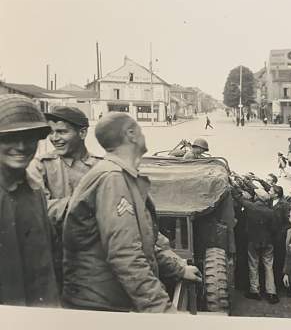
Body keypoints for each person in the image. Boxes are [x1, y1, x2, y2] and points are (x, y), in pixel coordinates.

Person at [62, 113, 202, 312]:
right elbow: (125, 254)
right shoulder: (113, 178)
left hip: (108, 300)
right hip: (101, 307)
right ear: (131, 134)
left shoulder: (119, 175)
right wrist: (162, 309)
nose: (143, 135)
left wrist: (178, 269)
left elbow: (143, 242)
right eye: (140, 131)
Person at [28, 106, 101, 291]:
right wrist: (88, 205)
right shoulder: (40, 166)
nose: (54, 138)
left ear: (83, 132)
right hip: (53, 258)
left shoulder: (101, 168)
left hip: (93, 259)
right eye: (51, 132)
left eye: (61, 132)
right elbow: (38, 209)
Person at [0, 94, 59, 307]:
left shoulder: (34, 190)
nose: (22, 146)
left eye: (30, 137)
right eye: (8, 138)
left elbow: (46, 264)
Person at [235, 188, 279, 304]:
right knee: (268, 266)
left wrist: (234, 188)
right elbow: (274, 229)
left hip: (253, 241)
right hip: (267, 242)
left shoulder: (251, 207)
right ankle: (271, 293)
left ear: (257, 197)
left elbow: (239, 199)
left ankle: (255, 290)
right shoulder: (271, 212)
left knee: (253, 265)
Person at [270, 185, 290, 292]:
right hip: (270, 236)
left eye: (271, 191)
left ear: (276, 194)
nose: (269, 192)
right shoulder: (269, 201)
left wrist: (281, 232)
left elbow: (287, 222)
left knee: (279, 260)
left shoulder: (284, 205)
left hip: (279, 237)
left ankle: (279, 284)